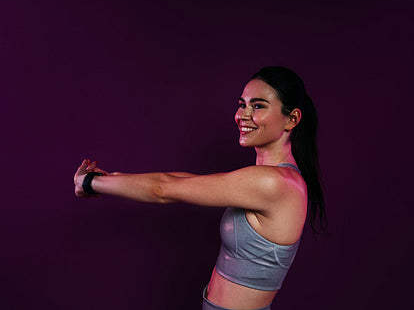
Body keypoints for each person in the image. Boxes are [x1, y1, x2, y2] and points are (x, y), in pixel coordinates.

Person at [74, 66, 327, 310]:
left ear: (291, 119)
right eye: (242, 104)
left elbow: (163, 189)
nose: (243, 115)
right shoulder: (265, 178)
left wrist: (89, 183)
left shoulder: (274, 183)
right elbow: (179, 179)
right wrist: (113, 176)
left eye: (258, 106)